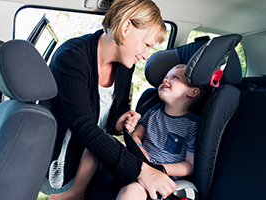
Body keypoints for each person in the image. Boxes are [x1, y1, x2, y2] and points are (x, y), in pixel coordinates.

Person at [41, 0, 176, 199]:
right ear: (126, 27)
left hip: (99, 156)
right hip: (65, 163)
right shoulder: (71, 58)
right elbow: (83, 127)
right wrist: (141, 170)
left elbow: (115, 113)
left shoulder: (125, 64)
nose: (146, 55)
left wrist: (120, 122)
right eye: (146, 45)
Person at [116, 64, 204, 199]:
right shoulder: (154, 111)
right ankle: (76, 191)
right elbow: (137, 135)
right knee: (101, 142)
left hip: (162, 177)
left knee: (132, 191)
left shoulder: (192, 124)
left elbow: (189, 166)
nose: (165, 80)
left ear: (192, 92)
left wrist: (157, 168)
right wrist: (140, 149)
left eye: (175, 78)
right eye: (165, 77)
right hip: (138, 164)